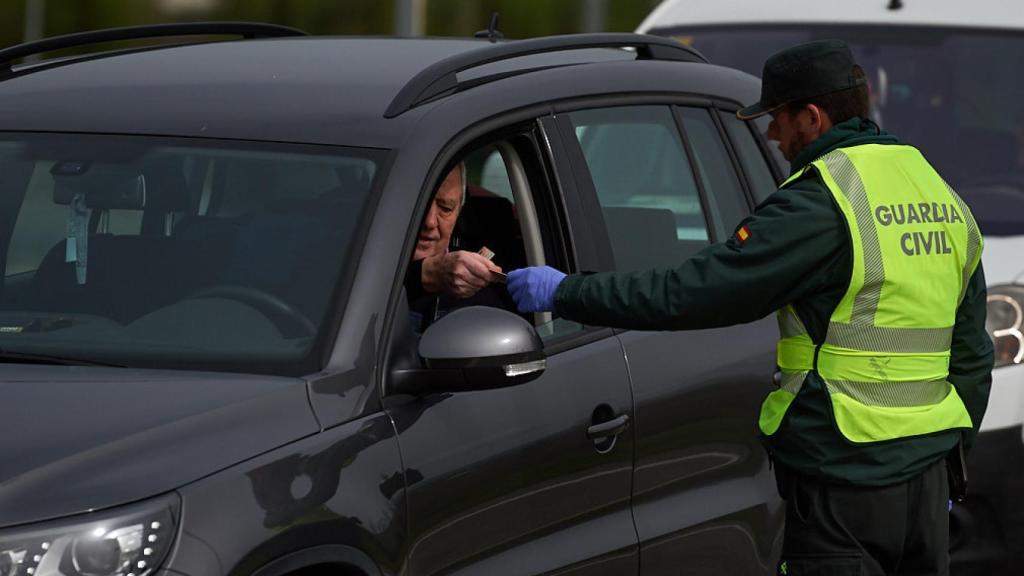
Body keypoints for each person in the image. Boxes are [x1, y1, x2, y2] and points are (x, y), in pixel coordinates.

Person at [507, 40, 992, 576]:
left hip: (845, 478)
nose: (770, 135)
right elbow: (971, 355)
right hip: (925, 485)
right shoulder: (934, 190)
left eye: (777, 119)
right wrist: (950, 466)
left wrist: (565, 291)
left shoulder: (821, 201)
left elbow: (694, 290)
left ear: (811, 116)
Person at [405, 163, 509, 333]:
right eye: (419, 204)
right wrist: (424, 275)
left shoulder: (473, 294)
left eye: (445, 209)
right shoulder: (357, 264)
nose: (430, 222)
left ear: (458, 215)